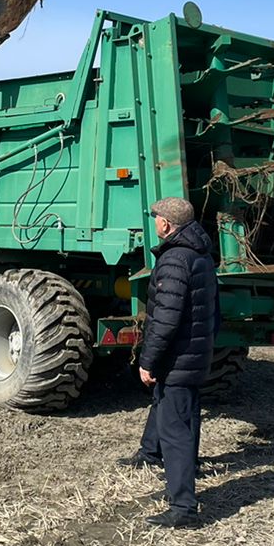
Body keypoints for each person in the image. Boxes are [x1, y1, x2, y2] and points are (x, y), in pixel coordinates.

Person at [117, 196, 220, 528]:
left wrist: (147, 361)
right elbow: (214, 314)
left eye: (157, 217)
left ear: (167, 224)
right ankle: (151, 453)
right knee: (181, 416)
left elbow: (164, 320)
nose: (155, 221)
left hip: (178, 358)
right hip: (193, 355)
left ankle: (183, 507)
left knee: (176, 430)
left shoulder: (175, 259)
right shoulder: (200, 256)